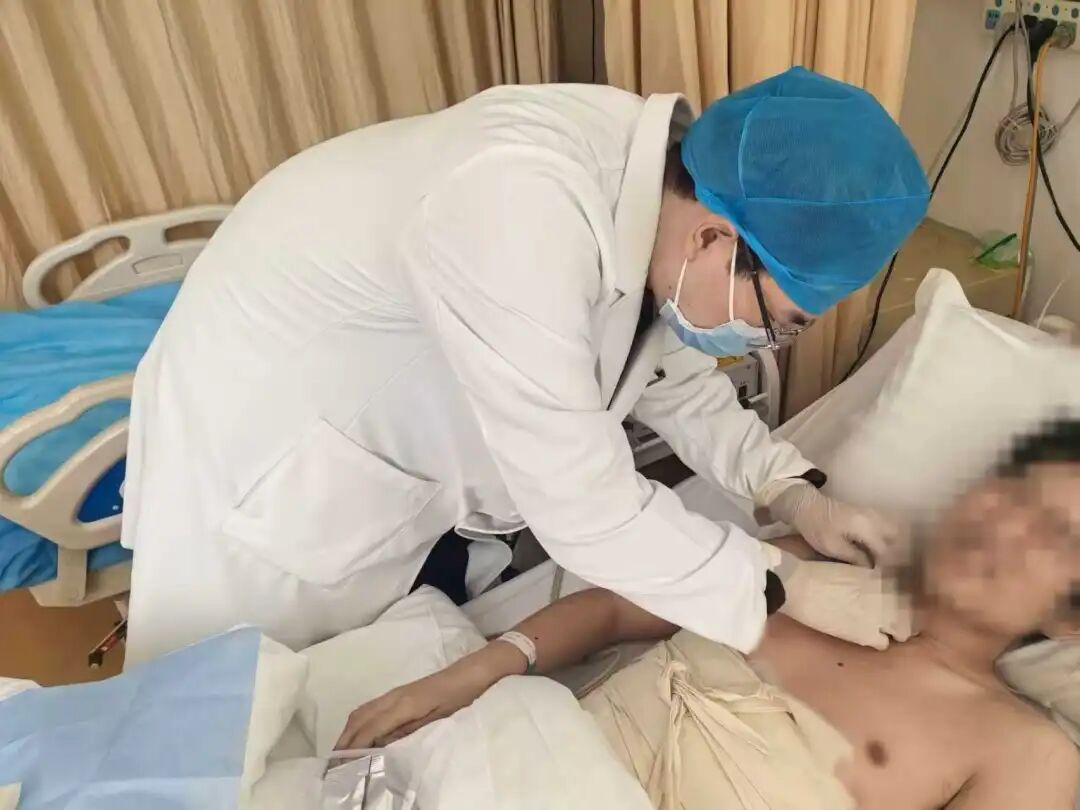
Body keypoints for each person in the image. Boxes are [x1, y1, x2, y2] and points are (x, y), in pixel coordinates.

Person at [121, 67, 930, 666]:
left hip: (376, 457)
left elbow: (666, 368)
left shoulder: (665, 198)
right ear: (715, 240)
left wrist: (789, 490)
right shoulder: (518, 205)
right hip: (260, 458)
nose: (763, 345)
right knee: (212, 718)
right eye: (779, 322)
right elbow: (584, 507)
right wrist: (784, 584)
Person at [336, 420, 1080, 809]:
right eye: (1013, 494)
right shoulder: (813, 566)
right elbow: (616, 611)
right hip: (507, 767)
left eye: (1052, 535)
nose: (1005, 528)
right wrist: (473, 673)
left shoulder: (1026, 751)